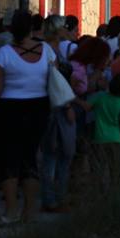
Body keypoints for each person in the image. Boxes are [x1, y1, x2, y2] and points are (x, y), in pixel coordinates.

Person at [0, 9, 55, 225]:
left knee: (9, 160)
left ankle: (11, 211)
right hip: (39, 107)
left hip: (10, 108)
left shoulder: (4, 53)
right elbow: (53, 77)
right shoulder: (46, 50)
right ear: (32, 28)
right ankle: (29, 211)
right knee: (30, 158)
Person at [39, 15, 78, 215]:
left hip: (56, 106)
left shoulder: (53, 50)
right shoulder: (49, 51)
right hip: (57, 108)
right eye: (64, 27)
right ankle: (53, 198)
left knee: (55, 155)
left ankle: (55, 196)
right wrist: (67, 106)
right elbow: (55, 82)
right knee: (55, 155)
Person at [87, 74, 120, 190]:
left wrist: (75, 99)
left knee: (99, 169)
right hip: (116, 139)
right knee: (115, 170)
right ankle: (113, 194)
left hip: (99, 138)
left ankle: (99, 192)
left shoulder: (100, 97)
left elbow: (87, 106)